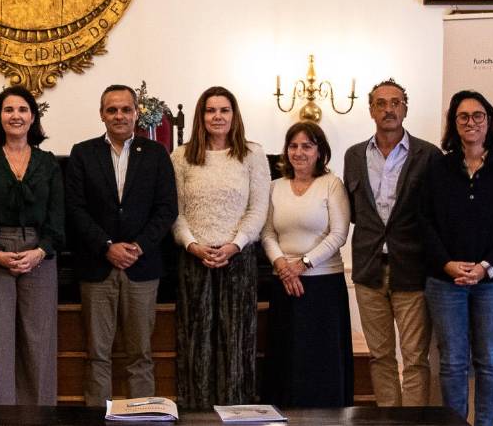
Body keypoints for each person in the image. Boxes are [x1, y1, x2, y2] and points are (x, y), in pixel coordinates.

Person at [63, 84, 177, 407]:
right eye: (112, 110)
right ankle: (95, 418)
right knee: (98, 354)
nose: (119, 115)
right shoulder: (83, 153)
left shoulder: (156, 154)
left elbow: (167, 208)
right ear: (101, 114)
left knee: (140, 353)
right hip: (98, 266)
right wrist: (106, 246)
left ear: (136, 113)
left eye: (126, 109)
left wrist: (139, 246)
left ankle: (142, 416)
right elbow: (75, 208)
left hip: (143, 268)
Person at [421, 90, 493, 426]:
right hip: (445, 281)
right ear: (454, 123)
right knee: (451, 362)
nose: (471, 122)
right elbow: (425, 222)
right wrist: (447, 264)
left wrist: (484, 268)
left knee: (491, 360)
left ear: (489, 120)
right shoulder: (437, 167)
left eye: (478, 115)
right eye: (463, 116)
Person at [342, 79, 442, 407]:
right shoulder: (355, 155)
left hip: (412, 268)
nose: (389, 109)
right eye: (381, 103)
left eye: (396, 103)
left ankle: (412, 422)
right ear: (371, 110)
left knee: (414, 358)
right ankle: (387, 418)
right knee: (380, 356)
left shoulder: (428, 154)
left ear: (405, 109)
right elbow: (356, 211)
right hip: (369, 268)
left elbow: (437, 213)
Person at [170, 86, 270, 409]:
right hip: (194, 258)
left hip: (237, 258)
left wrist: (235, 245)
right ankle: (197, 410)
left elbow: (258, 209)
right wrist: (193, 245)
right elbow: (176, 212)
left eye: (224, 110)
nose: (217, 116)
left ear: (234, 115)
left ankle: (236, 409)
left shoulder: (252, 154)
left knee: (236, 339)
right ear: (201, 116)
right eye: (210, 111)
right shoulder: (181, 157)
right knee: (197, 340)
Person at [0, 85, 64, 406]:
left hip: (39, 254)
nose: (16, 116)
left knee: (38, 342)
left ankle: (38, 418)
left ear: (33, 117)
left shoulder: (48, 163)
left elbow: (57, 217)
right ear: (0, 118)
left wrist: (40, 251)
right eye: (9, 110)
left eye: (22, 110)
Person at [262, 121, 353, 407]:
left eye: (307, 146)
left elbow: (339, 234)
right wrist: (281, 264)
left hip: (323, 284)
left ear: (319, 151)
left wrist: (303, 263)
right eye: (293, 146)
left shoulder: (331, 184)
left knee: (321, 358)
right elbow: (267, 233)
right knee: (286, 356)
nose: (299, 152)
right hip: (284, 282)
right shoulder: (274, 186)